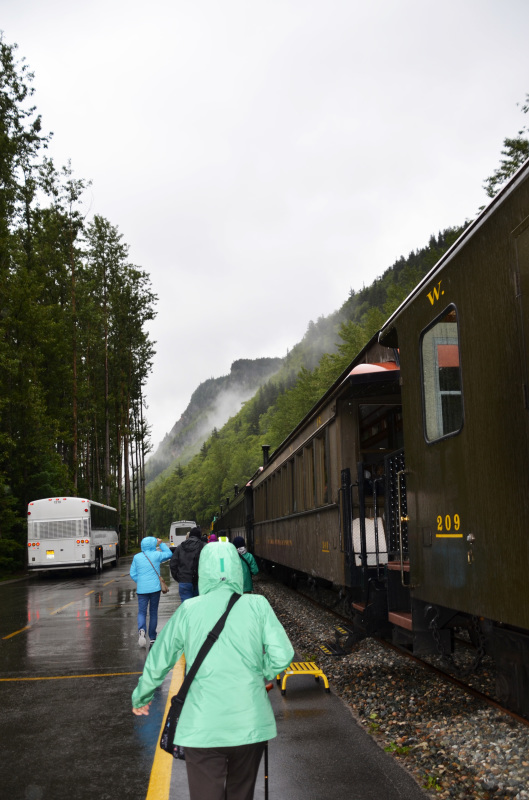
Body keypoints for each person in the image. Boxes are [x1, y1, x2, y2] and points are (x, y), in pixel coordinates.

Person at [132, 541, 294, 800]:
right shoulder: (258, 605)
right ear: (236, 570)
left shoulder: (188, 610)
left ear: (203, 571)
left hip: (201, 728)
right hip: (249, 724)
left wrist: (142, 696)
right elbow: (283, 654)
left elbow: (159, 659)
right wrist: (260, 671)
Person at [130, 536, 172, 647]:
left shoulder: (137, 557)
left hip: (142, 590)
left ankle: (141, 630)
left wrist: (141, 582)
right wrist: (161, 544)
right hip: (155, 589)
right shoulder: (157, 555)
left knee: (141, 612)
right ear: (154, 544)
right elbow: (169, 554)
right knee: (153, 612)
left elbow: (132, 573)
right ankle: (152, 637)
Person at [170, 527, 205, 603]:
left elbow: (173, 564)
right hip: (200, 581)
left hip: (184, 581)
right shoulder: (203, 546)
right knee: (198, 607)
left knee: (186, 607)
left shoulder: (180, 547)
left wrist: (179, 578)